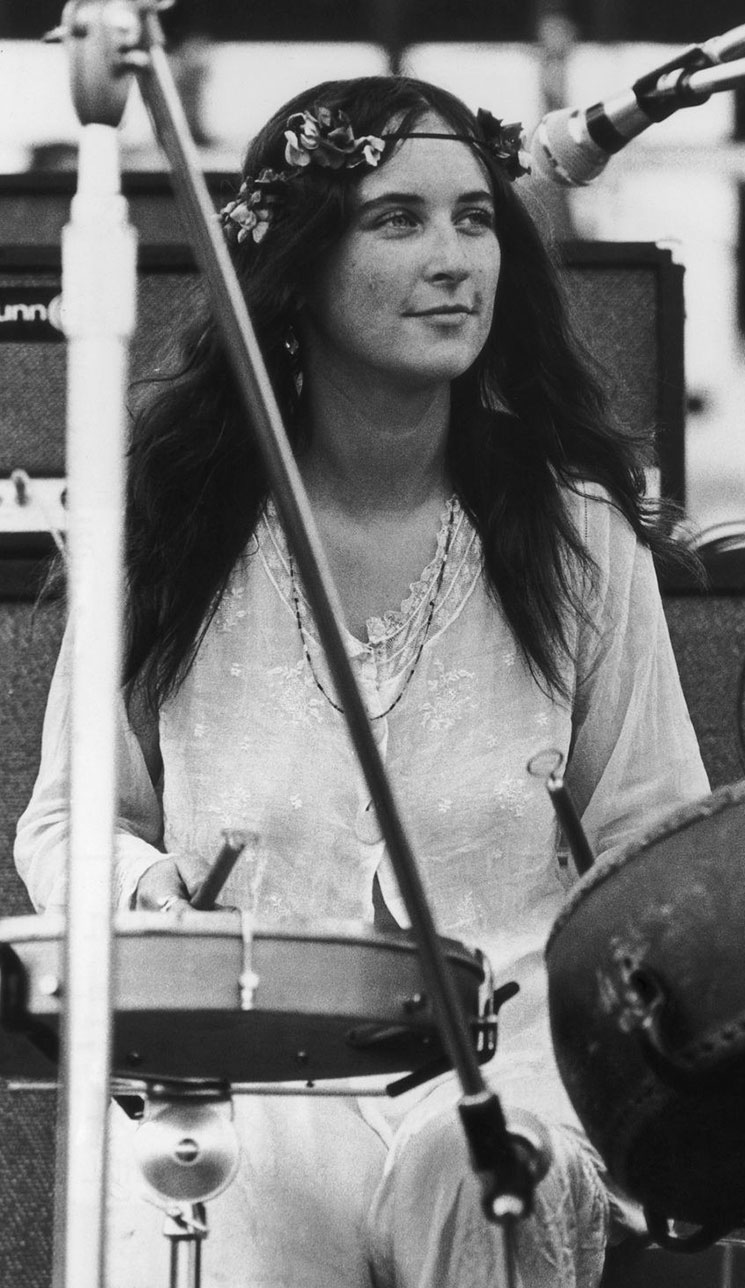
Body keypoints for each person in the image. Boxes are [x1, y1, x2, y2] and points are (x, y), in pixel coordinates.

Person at [15, 75, 709, 1288]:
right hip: (247, 1078)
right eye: (398, 219)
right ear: (298, 269)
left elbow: (654, 847)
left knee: (485, 1170)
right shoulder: (162, 528)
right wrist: (151, 894)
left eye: (475, 218)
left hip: (503, 1076)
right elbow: (70, 823)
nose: (454, 259)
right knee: (208, 1207)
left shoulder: (579, 533)